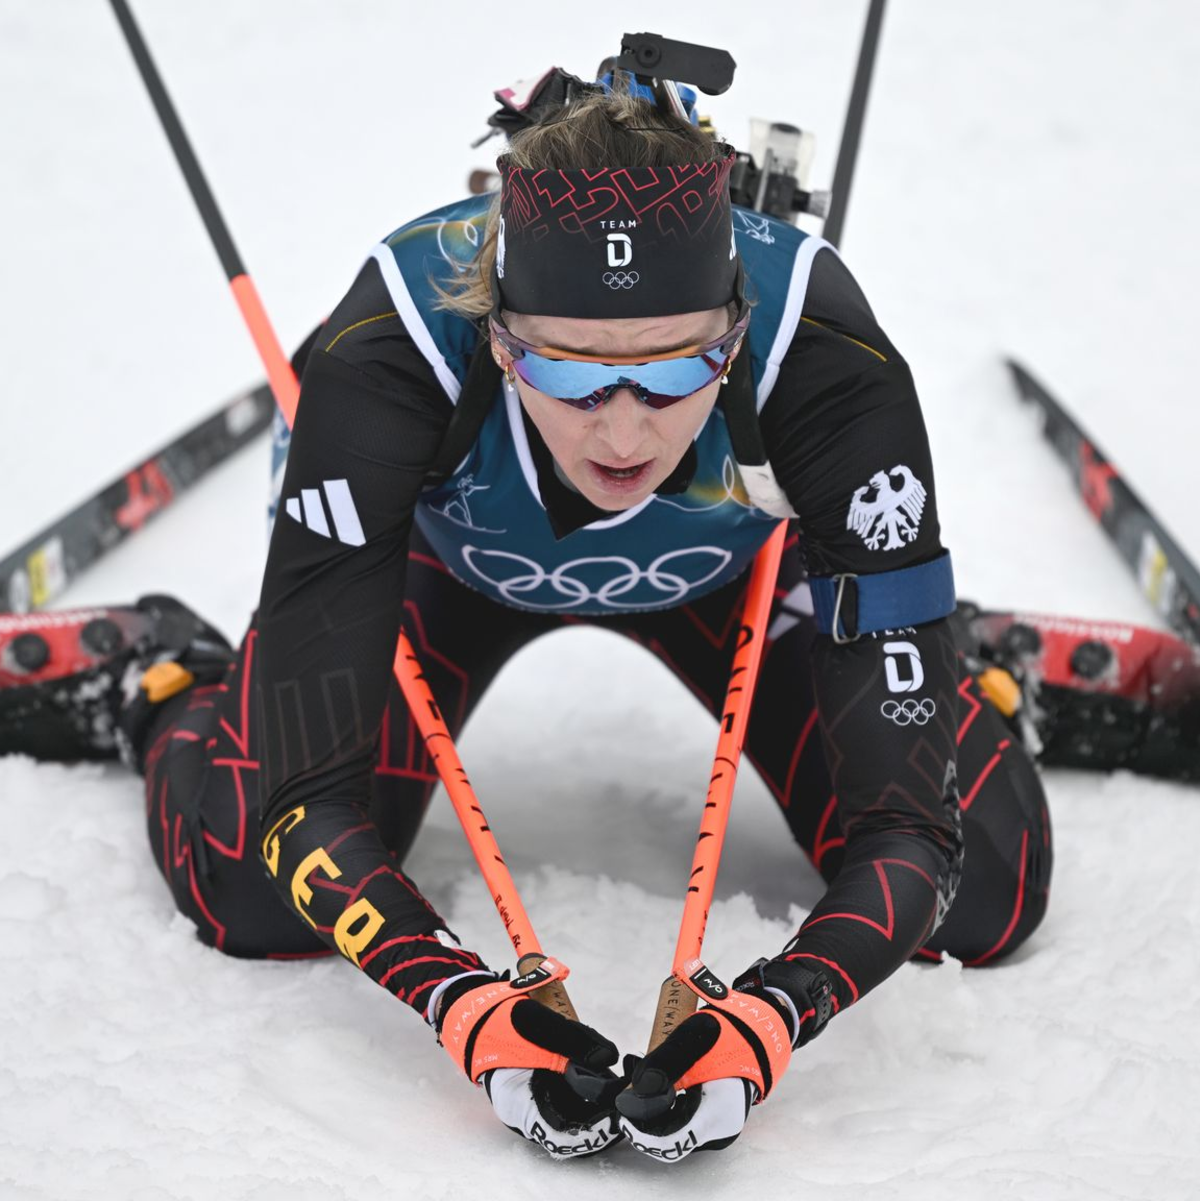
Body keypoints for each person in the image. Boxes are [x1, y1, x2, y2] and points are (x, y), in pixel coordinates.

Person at [2, 80, 1197, 1163]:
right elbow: (299, 803)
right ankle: (163, 677)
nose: (622, 434)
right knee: (249, 889)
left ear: (734, 328)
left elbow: (912, 840)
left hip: (732, 581)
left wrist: (774, 1015)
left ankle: (938, 648)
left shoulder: (815, 344)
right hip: (444, 573)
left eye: (678, 370)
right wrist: (461, 1002)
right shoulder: (396, 343)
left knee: (991, 883)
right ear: (501, 333)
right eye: (570, 373)